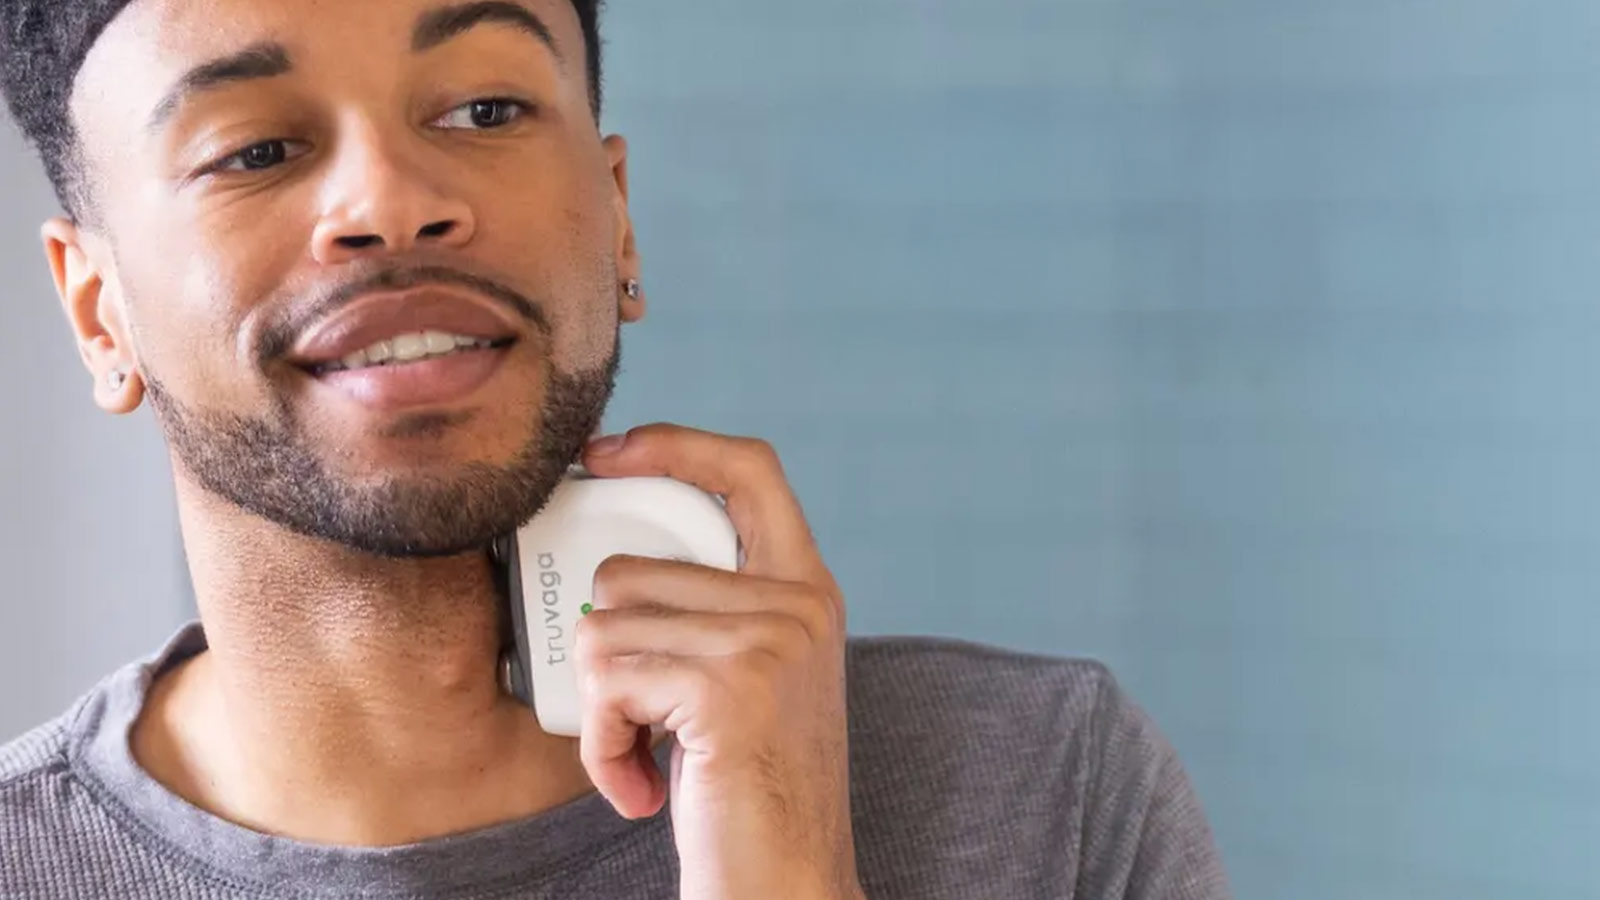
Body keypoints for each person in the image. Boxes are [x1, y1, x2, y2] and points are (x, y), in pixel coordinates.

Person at [0, 1, 1232, 897]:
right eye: (256, 150)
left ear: (618, 216)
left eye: (487, 107)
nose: (389, 201)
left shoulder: (1044, 792)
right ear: (98, 311)